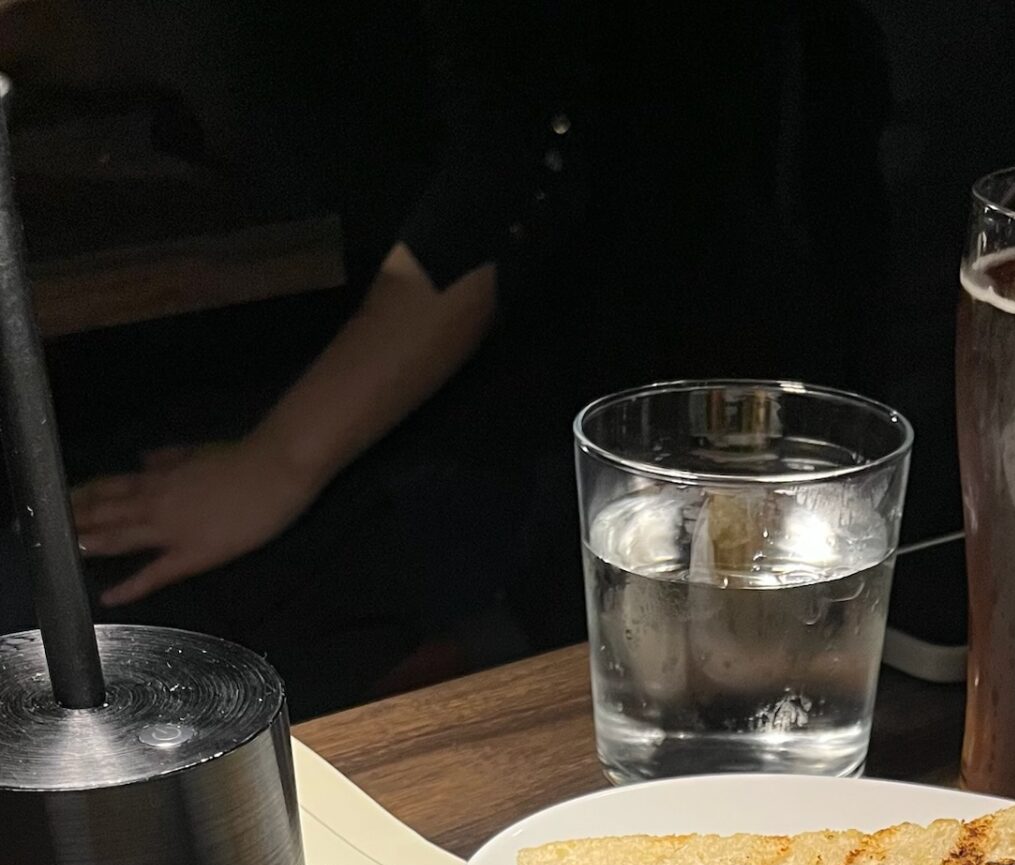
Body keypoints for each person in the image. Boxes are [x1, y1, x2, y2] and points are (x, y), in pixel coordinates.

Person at [20, 1, 891, 712]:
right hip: (333, 340)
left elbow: (514, 177)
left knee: (80, 622)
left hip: (555, 402)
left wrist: (277, 461)